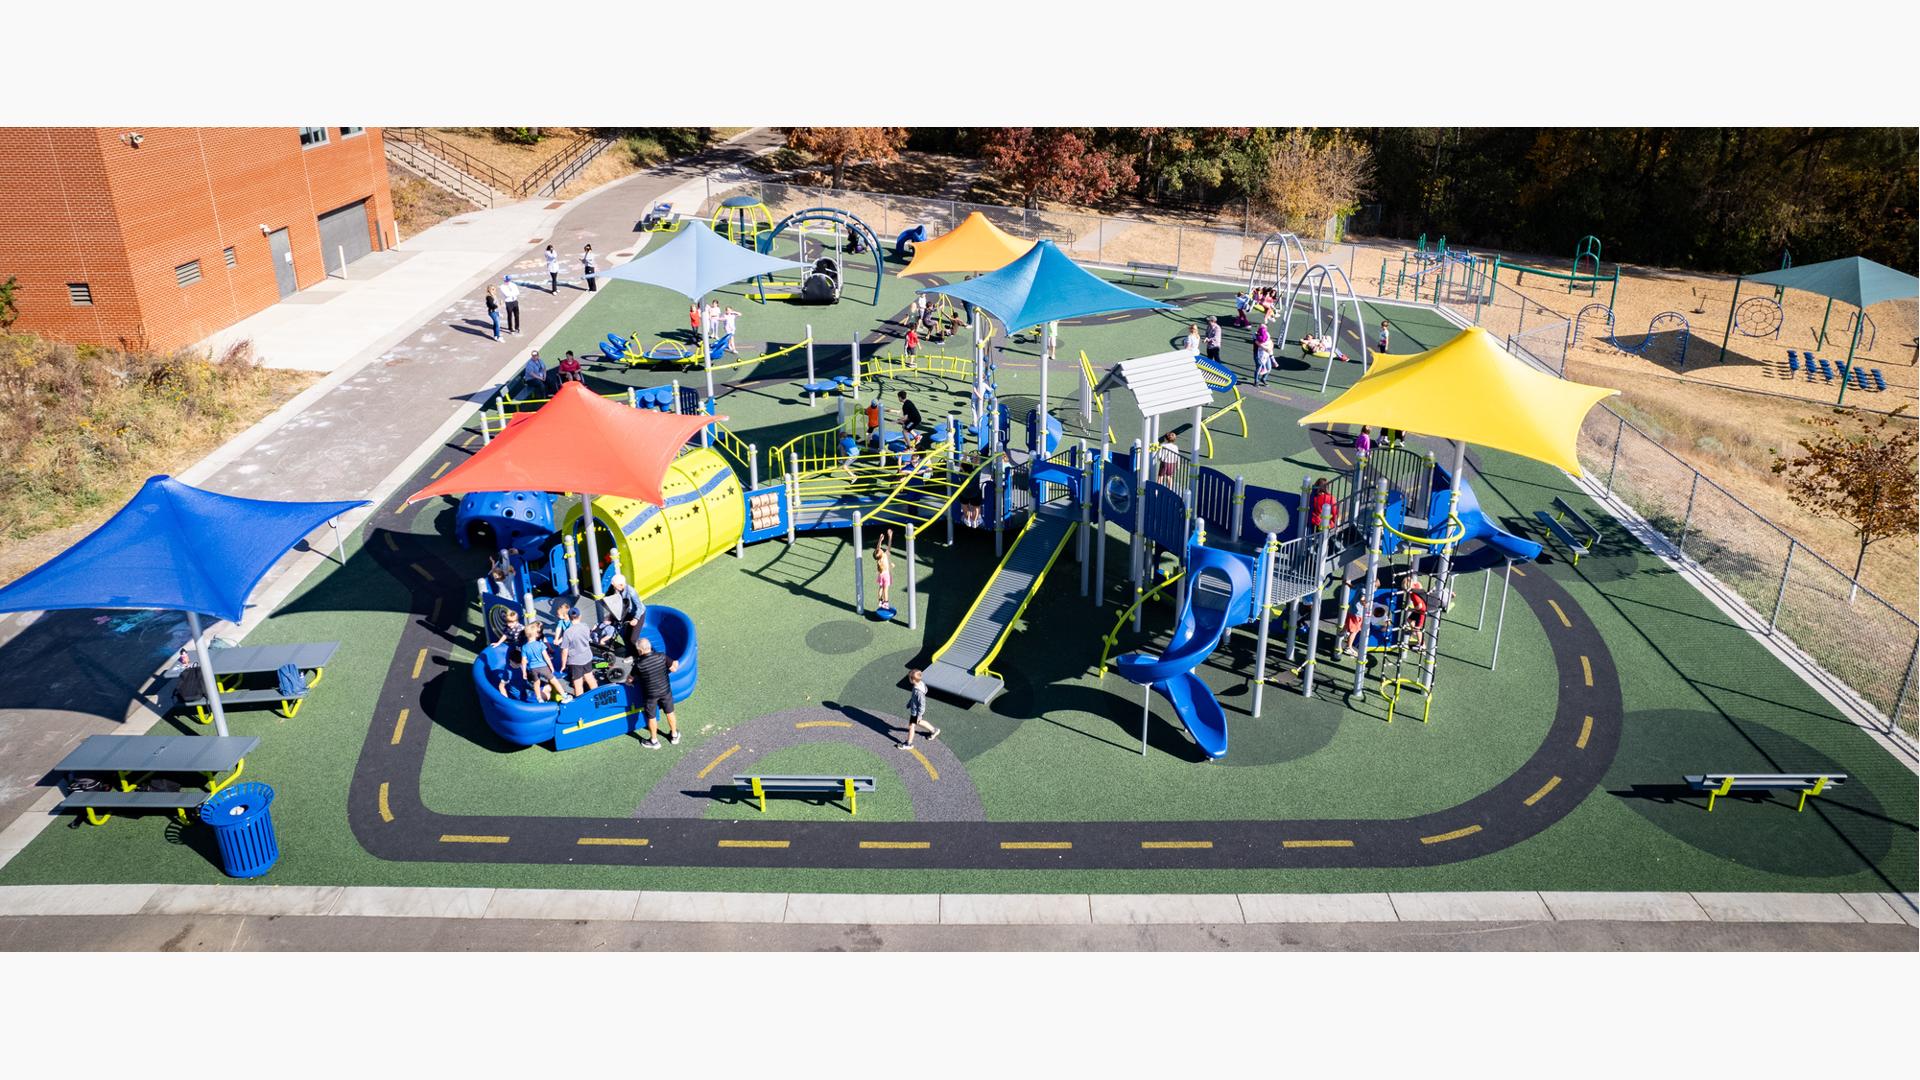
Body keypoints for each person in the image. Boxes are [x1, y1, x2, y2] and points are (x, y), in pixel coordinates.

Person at [630, 637, 681, 748]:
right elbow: (674, 669)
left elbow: (630, 679)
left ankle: (654, 741)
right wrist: (675, 663)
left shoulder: (638, 665)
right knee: (670, 712)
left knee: (651, 717)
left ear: (640, 651)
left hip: (650, 695)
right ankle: (674, 735)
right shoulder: (662, 656)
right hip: (665, 691)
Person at [521, 623, 568, 702]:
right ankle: (564, 695)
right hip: (543, 667)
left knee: (536, 682)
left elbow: (523, 661)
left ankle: (539, 698)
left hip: (533, 668)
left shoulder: (524, 647)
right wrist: (551, 667)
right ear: (536, 634)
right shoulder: (540, 644)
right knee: (554, 680)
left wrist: (524, 672)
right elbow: (546, 657)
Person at [558, 608, 598, 697]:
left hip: (576, 661)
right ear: (580, 616)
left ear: (569, 617)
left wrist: (563, 665)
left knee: (577, 682)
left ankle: (580, 702)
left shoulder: (567, 632)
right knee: (589, 677)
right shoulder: (585, 626)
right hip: (587, 656)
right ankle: (597, 695)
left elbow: (565, 650)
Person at [604, 573, 645, 653]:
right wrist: (610, 617)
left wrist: (636, 619)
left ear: (621, 585)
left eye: (615, 586)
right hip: (627, 611)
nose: (614, 588)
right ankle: (630, 653)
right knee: (625, 635)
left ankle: (637, 654)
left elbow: (639, 607)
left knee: (633, 639)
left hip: (638, 613)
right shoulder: (616, 589)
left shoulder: (631, 592)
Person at [899, 669, 939, 747]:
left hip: (916, 713)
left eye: (909, 678)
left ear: (913, 680)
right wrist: (910, 702)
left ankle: (909, 744)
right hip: (915, 711)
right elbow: (925, 690)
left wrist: (919, 715)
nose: (908, 679)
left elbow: (922, 705)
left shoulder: (919, 692)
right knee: (919, 722)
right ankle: (934, 730)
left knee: (911, 726)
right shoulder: (920, 684)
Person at [874, 531, 893, 610]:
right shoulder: (885, 556)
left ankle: (880, 601)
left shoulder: (879, 559)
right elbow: (889, 546)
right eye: (881, 550)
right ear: (881, 553)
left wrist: (880, 540)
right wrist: (890, 537)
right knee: (886, 589)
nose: (881, 549)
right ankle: (886, 603)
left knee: (881, 587)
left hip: (880, 575)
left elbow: (878, 549)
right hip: (886, 576)